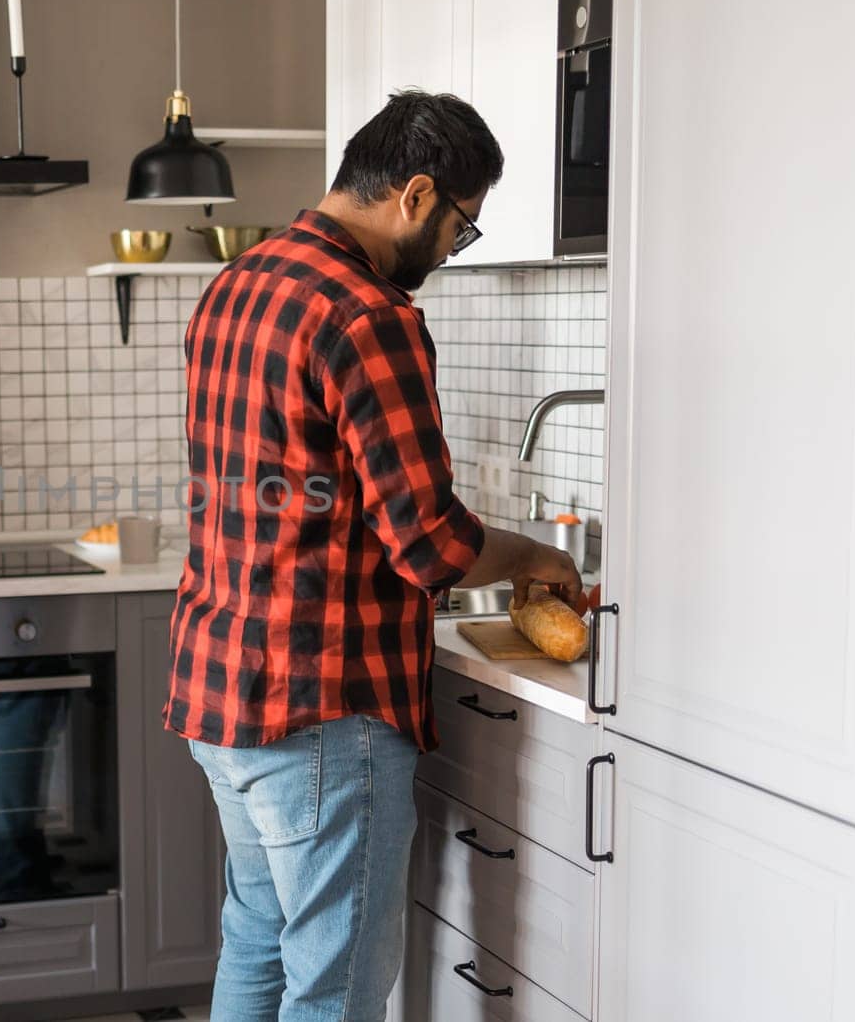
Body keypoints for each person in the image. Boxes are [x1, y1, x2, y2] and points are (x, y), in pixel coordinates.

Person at [165, 90, 582, 1021]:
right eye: (459, 230)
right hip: (322, 706)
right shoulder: (368, 314)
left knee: (257, 946)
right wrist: (533, 559)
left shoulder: (240, 282)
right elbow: (430, 542)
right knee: (338, 987)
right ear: (417, 195)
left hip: (223, 688)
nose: (447, 253)